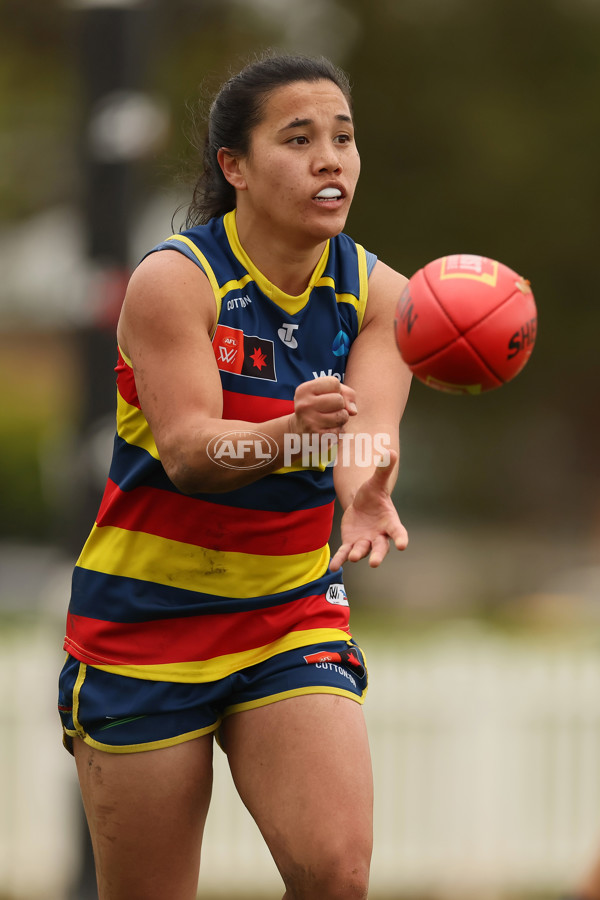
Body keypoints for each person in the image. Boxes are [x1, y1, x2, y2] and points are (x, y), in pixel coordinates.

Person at [58, 52, 412, 900]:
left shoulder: (381, 293)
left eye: (344, 137)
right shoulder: (175, 282)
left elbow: (365, 431)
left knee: (337, 872)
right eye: (299, 139)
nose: (331, 158)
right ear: (235, 167)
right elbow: (187, 454)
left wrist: (363, 492)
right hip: (144, 624)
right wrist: (294, 433)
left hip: (286, 613)